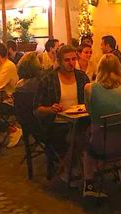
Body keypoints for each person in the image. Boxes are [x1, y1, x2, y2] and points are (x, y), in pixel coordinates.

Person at [82, 54, 121, 198]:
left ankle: (89, 182)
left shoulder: (89, 89)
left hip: (101, 144)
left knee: (84, 137)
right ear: (119, 69)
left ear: (99, 69)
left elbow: (90, 112)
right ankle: (120, 170)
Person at [36, 44, 90, 172]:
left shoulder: (82, 77)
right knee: (80, 138)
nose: (71, 63)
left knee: (95, 133)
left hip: (82, 121)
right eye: (67, 60)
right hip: (58, 124)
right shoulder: (48, 79)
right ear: (59, 62)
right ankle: (78, 171)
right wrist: (50, 109)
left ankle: (73, 169)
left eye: (73, 59)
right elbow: (37, 109)